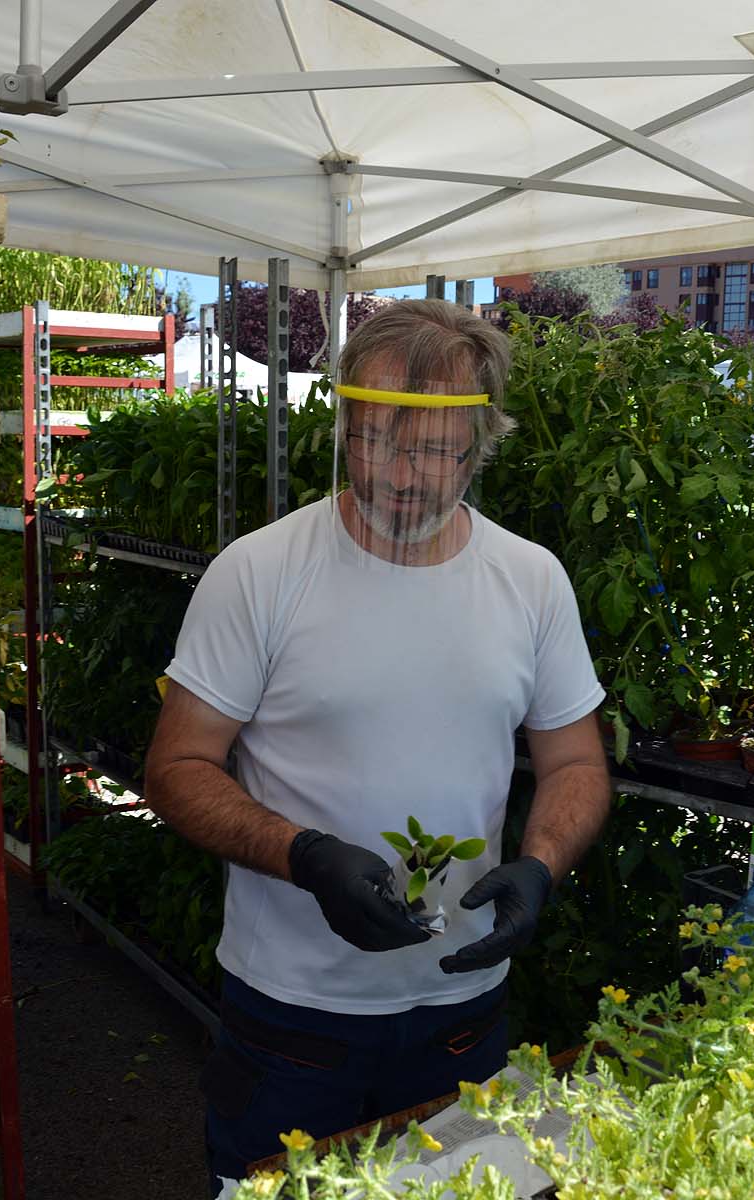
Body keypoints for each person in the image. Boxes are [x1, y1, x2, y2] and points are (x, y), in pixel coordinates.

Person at [144, 300, 611, 1187]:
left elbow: (576, 762)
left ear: (481, 444)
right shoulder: (261, 571)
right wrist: (303, 854)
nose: (405, 475)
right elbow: (175, 766)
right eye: (378, 440)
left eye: (436, 448)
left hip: (465, 1013)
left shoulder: (530, 581)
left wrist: (541, 863)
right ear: (346, 428)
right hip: (293, 1018)